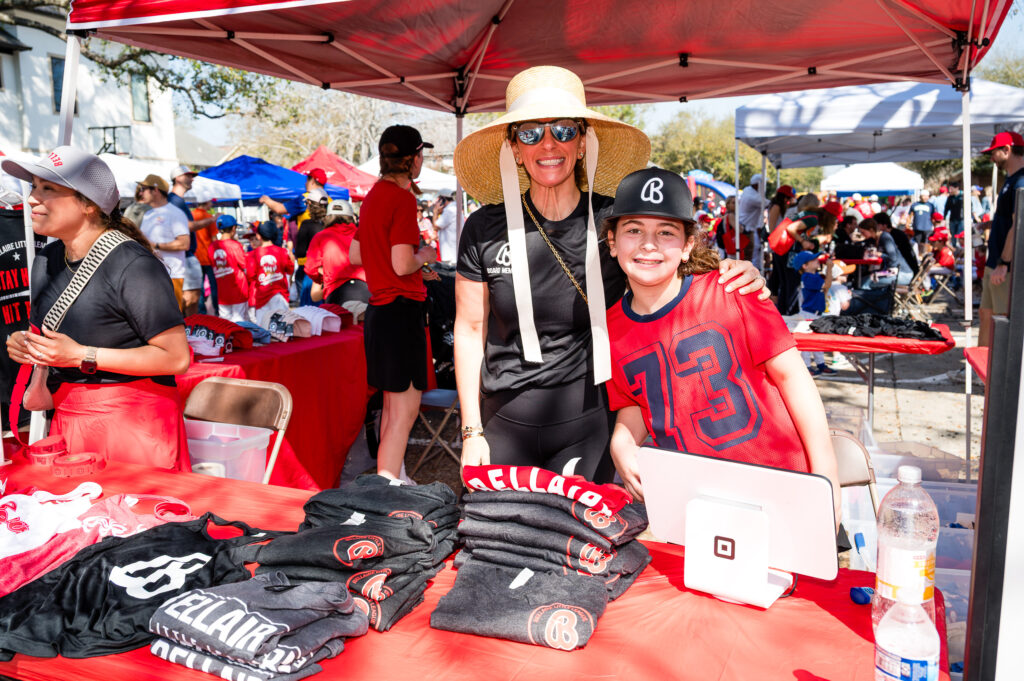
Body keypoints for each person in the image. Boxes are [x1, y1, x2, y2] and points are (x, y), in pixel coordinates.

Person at [452, 66, 765, 483]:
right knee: (493, 527)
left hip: (590, 419)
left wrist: (735, 268)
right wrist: (471, 431)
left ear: (582, 143)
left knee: (586, 527)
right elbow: (470, 330)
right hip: (503, 419)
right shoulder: (483, 228)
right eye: (530, 133)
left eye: (564, 130)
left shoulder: (613, 221)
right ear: (513, 147)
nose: (548, 143)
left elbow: (674, 263)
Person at [601, 168, 840, 527]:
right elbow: (634, 400)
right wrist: (622, 440)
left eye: (665, 232)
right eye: (633, 230)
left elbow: (793, 378)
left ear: (687, 245)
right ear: (612, 241)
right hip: (694, 504)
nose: (648, 244)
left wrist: (826, 477)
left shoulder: (733, 289)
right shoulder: (610, 327)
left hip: (782, 489)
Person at [3, 147, 191, 470]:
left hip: (134, 427)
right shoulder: (46, 260)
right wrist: (26, 344)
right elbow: (53, 336)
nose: (32, 198)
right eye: (34, 186)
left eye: (48, 188)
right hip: (68, 421)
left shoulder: (133, 265)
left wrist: (81, 355)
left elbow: (176, 358)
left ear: (89, 204)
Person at [351, 125, 439, 481]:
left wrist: (405, 268)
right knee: (403, 412)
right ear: (413, 159)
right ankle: (388, 487)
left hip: (381, 312)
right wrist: (425, 255)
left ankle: (392, 480)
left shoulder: (373, 195)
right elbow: (403, 263)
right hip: (401, 312)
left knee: (392, 409)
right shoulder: (402, 199)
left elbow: (356, 254)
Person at [979, 131, 1024, 347]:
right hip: (995, 262)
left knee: (1000, 321)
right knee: (986, 315)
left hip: (1004, 266)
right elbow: (1008, 219)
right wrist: (989, 225)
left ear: (1007, 149)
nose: (991, 158)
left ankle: (995, 366)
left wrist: (1004, 263)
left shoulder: (1021, 181)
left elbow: (1019, 225)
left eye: (993, 152)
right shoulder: (1012, 179)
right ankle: (983, 363)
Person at [138, 174, 190, 310]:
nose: (140, 193)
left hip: (172, 275)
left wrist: (155, 245)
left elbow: (184, 243)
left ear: (155, 190)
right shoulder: (148, 214)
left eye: (143, 189)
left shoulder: (175, 213)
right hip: (151, 275)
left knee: (172, 318)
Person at [169, 165, 214, 316]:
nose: (192, 179)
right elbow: (187, 226)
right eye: (188, 176)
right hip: (184, 256)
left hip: (185, 256)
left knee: (191, 299)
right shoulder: (175, 201)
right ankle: (190, 328)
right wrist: (212, 219)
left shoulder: (177, 201)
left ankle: (189, 327)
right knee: (190, 299)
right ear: (178, 178)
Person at [306, 199, 368, 305]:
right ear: (351, 217)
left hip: (336, 292)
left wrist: (323, 278)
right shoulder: (363, 235)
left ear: (327, 217)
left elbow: (311, 268)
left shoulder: (320, 237)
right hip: (365, 290)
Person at [790, 250, 836, 376]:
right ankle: (807, 366)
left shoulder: (814, 276)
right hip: (808, 314)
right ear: (805, 266)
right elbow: (827, 284)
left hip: (815, 313)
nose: (817, 260)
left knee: (817, 340)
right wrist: (829, 268)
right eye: (813, 260)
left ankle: (820, 364)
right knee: (807, 342)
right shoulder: (808, 276)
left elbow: (825, 288)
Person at [246, 221, 295, 326]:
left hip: (262, 297)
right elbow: (290, 270)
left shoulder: (252, 254)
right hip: (280, 296)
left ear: (258, 236)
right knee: (282, 328)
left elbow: (250, 276)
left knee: (263, 328)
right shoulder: (282, 252)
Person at [208, 214, 250, 323]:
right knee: (240, 322)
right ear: (233, 228)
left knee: (225, 323)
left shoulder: (212, 246)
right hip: (238, 291)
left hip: (222, 292)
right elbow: (244, 264)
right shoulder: (235, 245)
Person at [293, 187, 330, 306]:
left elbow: (300, 252)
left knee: (311, 311)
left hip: (314, 274)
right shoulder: (332, 223)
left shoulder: (307, 225)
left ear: (309, 204)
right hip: (333, 272)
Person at [857, 218, 912, 287]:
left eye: (863, 232)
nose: (862, 235)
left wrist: (880, 254)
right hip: (891, 271)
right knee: (864, 280)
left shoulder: (884, 237)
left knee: (866, 283)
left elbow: (893, 258)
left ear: (871, 230)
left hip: (902, 273)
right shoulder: (876, 239)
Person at [190, 199, 220, 316]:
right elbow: (214, 239)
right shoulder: (209, 217)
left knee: (199, 287)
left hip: (195, 257)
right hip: (208, 258)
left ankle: (201, 313)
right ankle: (217, 311)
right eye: (211, 202)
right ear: (207, 202)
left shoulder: (191, 215)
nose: (212, 204)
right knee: (214, 286)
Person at [875, 211, 918, 275]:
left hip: (904, 269)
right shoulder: (896, 233)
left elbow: (893, 256)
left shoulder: (889, 236)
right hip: (906, 268)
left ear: (884, 225)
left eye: (877, 225)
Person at [737, 173, 765, 266]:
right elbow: (766, 203)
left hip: (747, 228)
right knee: (749, 255)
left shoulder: (747, 190)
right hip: (747, 230)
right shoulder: (753, 197)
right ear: (758, 185)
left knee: (750, 254)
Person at [433, 187, 458, 265]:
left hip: (451, 256)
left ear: (442, 199)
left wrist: (435, 212)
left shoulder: (449, 210)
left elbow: (436, 227)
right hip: (453, 253)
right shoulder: (454, 208)